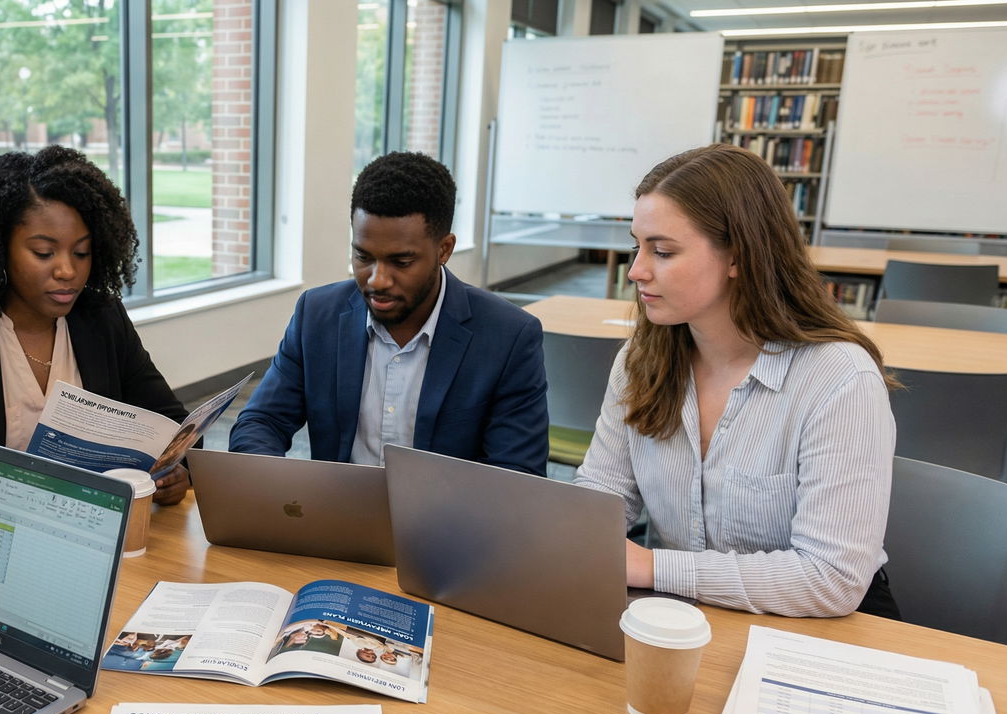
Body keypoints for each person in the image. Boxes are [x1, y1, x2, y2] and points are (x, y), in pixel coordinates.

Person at [574, 143, 897, 619]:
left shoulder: (839, 380)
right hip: (690, 616)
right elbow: (600, 498)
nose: (636, 271)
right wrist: (566, 536)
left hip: (826, 628)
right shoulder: (641, 362)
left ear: (738, 257)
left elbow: (831, 579)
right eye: (636, 246)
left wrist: (654, 568)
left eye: (662, 251)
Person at [0, 145, 190, 505]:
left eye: (81, 252)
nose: (67, 271)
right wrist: (5, 491)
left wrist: (174, 473)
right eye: (44, 253)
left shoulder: (101, 319)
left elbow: (178, 427)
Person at [227, 151, 548, 474]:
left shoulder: (508, 337)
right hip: (336, 518)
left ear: (444, 249)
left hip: (449, 523)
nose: (377, 280)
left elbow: (518, 473)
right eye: (363, 257)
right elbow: (261, 421)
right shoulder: (317, 315)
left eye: (401, 262)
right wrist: (275, 489)